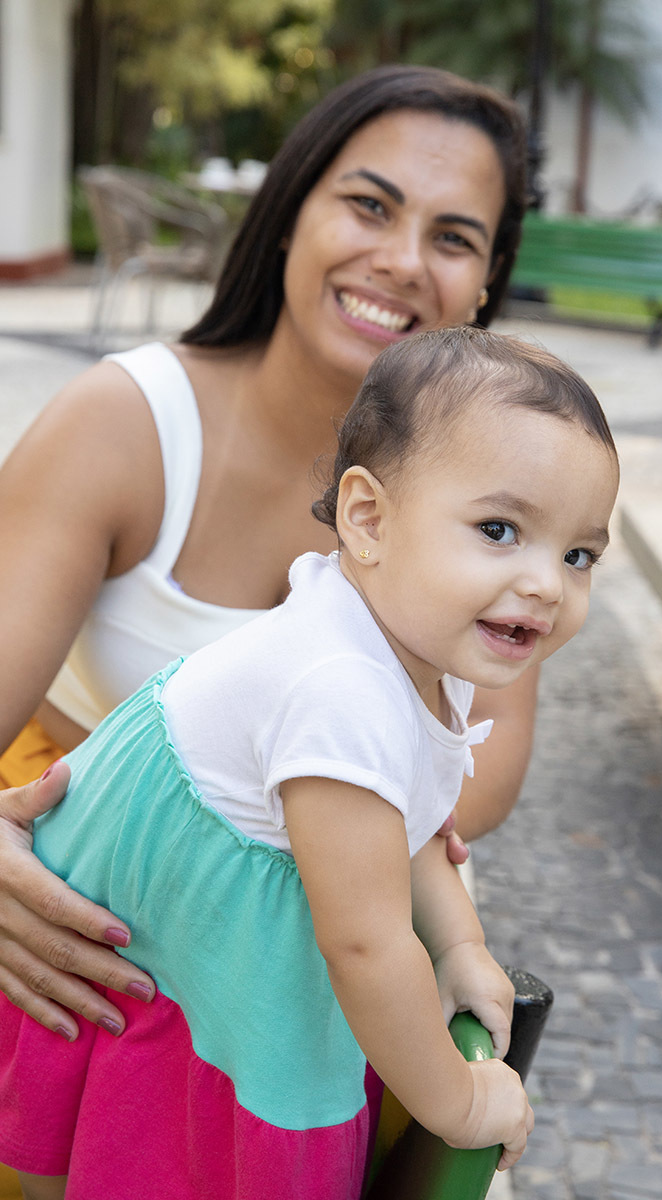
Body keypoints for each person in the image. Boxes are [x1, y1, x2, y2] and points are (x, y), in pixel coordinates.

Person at [0, 64, 540, 1068]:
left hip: (337, 988)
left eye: (453, 237)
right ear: (290, 213)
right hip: (89, 957)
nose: (401, 259)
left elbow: (486, 777)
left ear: (483, 284)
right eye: (368, 205)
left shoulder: (499, 494)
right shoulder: (123, 424)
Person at [0, 326, 619, 1200]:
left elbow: (409, 824)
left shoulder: (403, 644)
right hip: (159, 973)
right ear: (368, 519)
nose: (548, 584)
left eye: (578, 554)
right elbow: (364, 942)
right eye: (498, 529)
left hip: (207, 943)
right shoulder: (341, 688)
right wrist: (455, 1102)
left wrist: (459, 948)